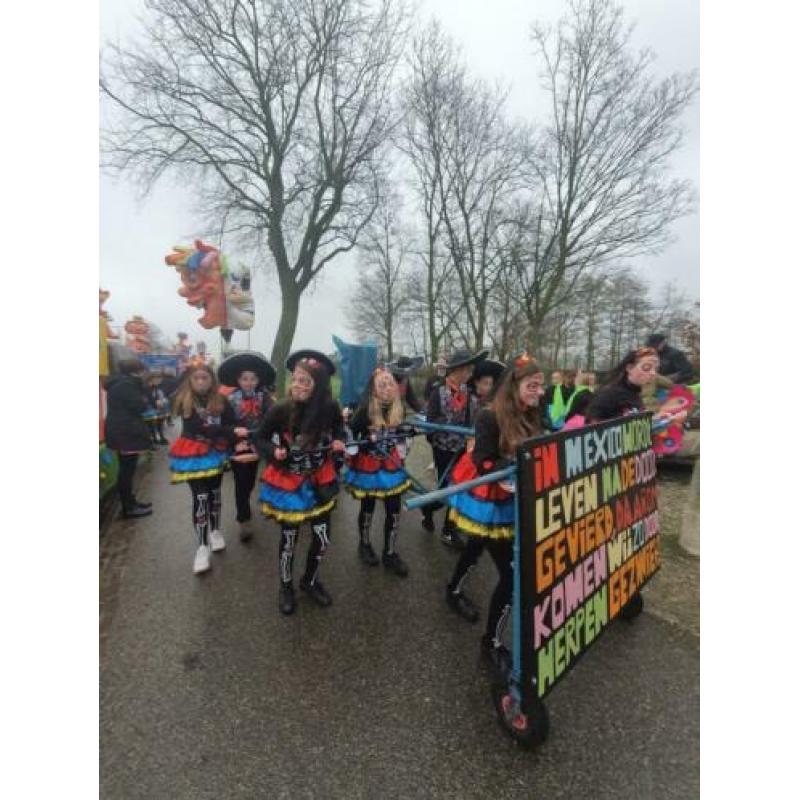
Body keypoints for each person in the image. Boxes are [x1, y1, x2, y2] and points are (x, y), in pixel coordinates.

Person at [444, 353, 546, 672]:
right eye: (533, 385)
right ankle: (491, 642)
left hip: (517, 494)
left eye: (541, 386)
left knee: (476, 546)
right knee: (511, 574)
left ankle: (453, 589)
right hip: (490, 496)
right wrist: (515, 467)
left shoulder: (532, 412)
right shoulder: (489, 416)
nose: (539, 392)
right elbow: (483, 461)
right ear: (514, 386)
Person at [255, 350, 346, 615]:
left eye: (304, 381)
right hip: (289, 481)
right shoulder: (280, 408)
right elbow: (259, 438)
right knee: (289, 537)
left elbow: (340, 429)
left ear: (317, 385)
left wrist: (339, 439)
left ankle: (310, 580)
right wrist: (274, 453)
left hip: (320, 478)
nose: (297, 386)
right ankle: (285, 586)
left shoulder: (329, 407)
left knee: (323, 537)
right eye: (295, 379)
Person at [169, 364, 247, 575]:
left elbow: (233, 422)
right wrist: (230, 432)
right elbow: (199, 427)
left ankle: (215, 532)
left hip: (215, 452)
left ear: (212, 380)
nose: (201, 382)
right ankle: (202, 547)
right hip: (193, 454)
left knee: (215, 493)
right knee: (201, 497)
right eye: (196, 378)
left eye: (205, 378)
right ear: (190, 380)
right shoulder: (185, 401)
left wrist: (236, 438)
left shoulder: (221, 400)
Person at [344, 368, 415, 576]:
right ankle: (364, 545)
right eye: (382, 385)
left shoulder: (399, 409)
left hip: (392, 467)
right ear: (374, 391)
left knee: (394, 510)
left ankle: (390, 552)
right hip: (369, 467)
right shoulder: (365, 409)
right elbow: (351, 438)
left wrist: (404, 435)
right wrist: (366, 442)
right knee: (368, 507)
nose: (387, 388)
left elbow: (403, 441)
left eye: (390, 384)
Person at [422, 348, 488, 548]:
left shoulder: (469, 393)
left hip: (462, 448)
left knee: (457, 488)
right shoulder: (438, 392)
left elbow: (473, 420)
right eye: (466, 370)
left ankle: (449, 530)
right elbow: (430, 423)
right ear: (456, 370)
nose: (469, 374)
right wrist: (441, 436)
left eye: (470, 371)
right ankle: (428, 507)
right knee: (446, 489)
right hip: (443, 448)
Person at [217, 351, 276, 543]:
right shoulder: (229, 399)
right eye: (245, 379)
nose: (249, 382)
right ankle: (244, 519)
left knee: (253, 481)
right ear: (238, 380)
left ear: (258, 380)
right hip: (239, 445)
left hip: (258, 443)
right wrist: (236, 438)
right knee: (241, 483)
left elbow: (272, 418)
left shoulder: (265, 397)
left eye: (253, 379)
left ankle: (268, 504)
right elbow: (225, 424)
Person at [104, 359, 154, 519]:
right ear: (138, 370)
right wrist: (144, 391)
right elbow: (140, 406)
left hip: (120, 431)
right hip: (126, 432)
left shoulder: (119, 383)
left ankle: (130, 502)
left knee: (126, 469)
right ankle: (128, 507)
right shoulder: (128, 385)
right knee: (126, 471)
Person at [144, 370, 170, 445]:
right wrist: (156, 402)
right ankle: (153, 439)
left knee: (160, 423)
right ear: (151, 379)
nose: (159, 381)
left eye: (160, 379)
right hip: (149, 410)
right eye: (158, 379)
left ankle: (160, 437)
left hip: (159, 409)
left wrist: (162, 401)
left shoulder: (157, 387)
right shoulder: (146, 387)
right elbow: (148, 398)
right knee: (151, 425)